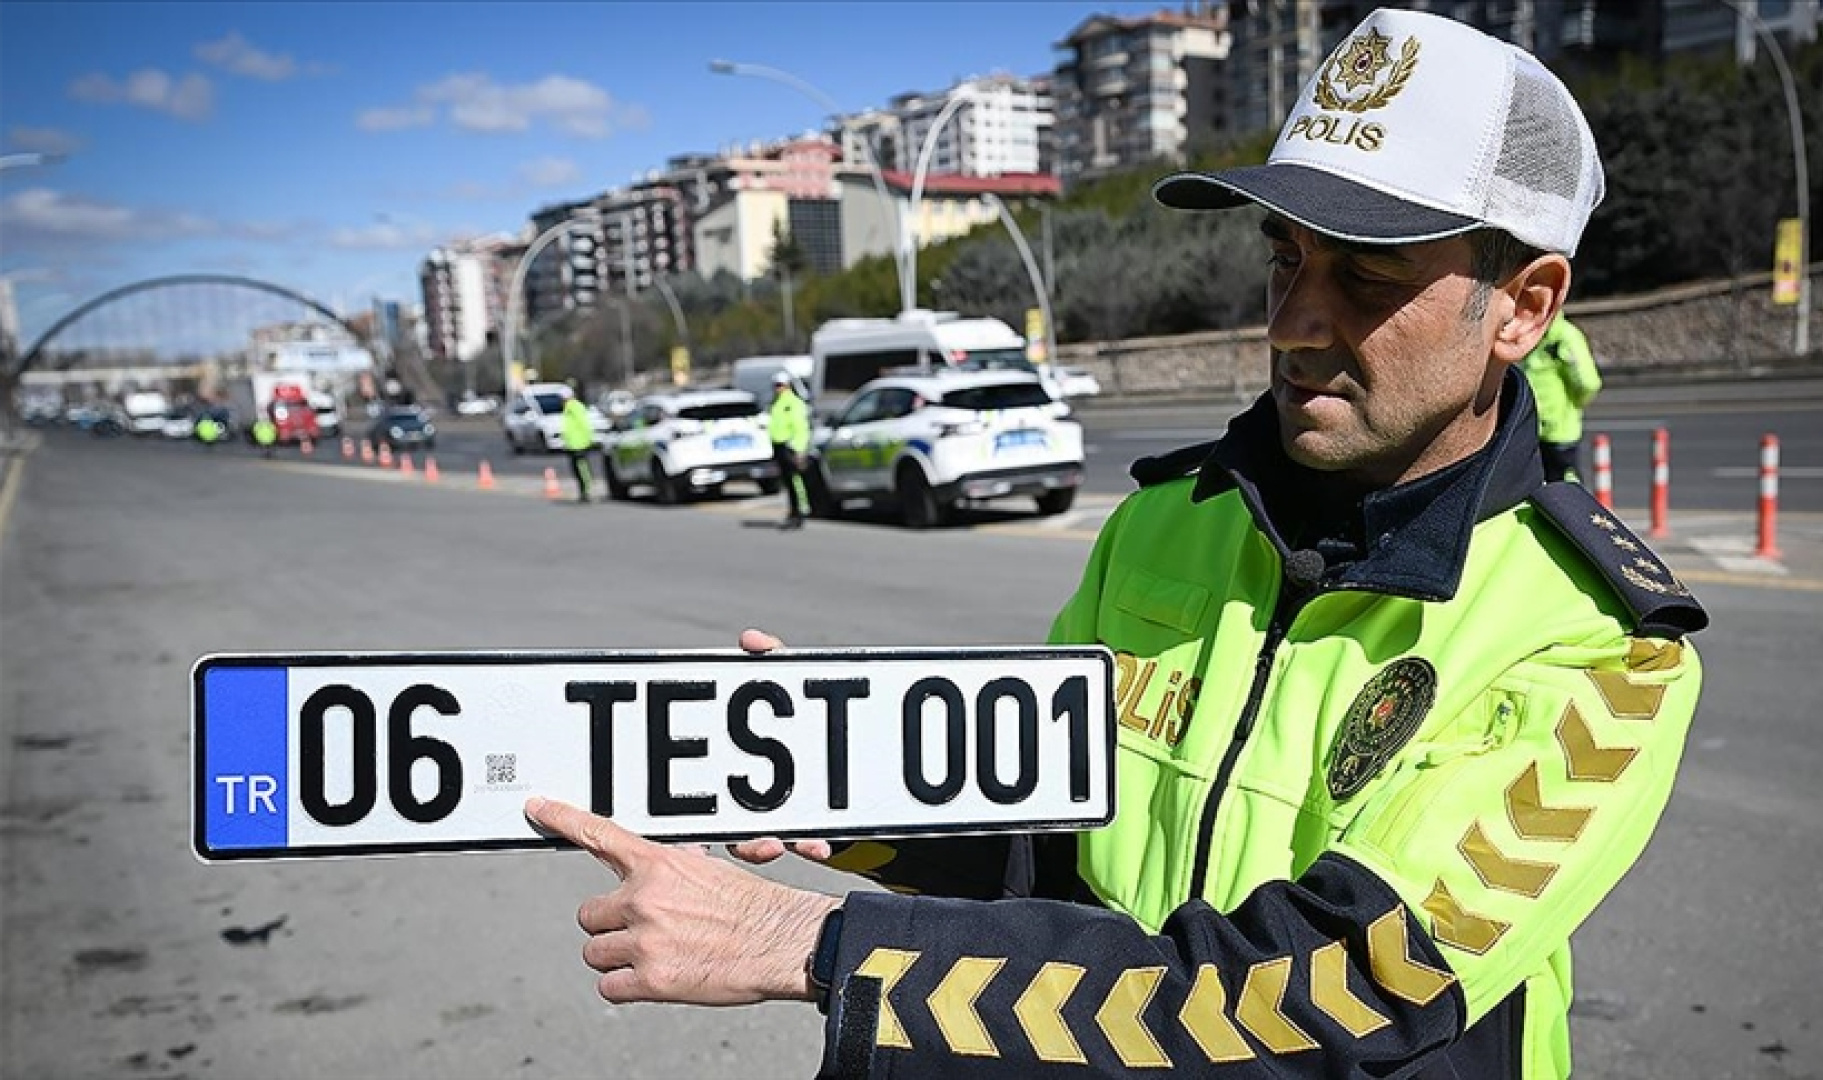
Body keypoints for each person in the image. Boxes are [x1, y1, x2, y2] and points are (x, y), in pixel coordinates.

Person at [525, 10, 1708, 1078]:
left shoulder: (1602, 653)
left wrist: (815, 943)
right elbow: (1058, 848)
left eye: (1365, 275)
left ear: (1524, 306)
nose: (1296, 322)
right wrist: (852, 790)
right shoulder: (1163, 523)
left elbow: (1334, 990)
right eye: (1284, 257)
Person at [1521, 312, 1602, 483]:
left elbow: (1588, 383)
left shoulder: (1564, 336)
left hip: (1559, 432)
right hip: (1534, 433)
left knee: (1566, 494)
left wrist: (1571, 408)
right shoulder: (1531, 335)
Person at [766, 370, 812, 530]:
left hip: (790, 446)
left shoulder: (794, 403)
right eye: (776, 386)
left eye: (780, 385)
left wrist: (799, 449)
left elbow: (801, 428)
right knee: (787, 481)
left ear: (787, 385)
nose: (777, 389)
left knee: (795, 480)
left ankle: (801, 510)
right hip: (778, 445)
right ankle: (793, 510)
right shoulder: (776, 403)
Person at [559, 385, 595, 504]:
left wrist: (589, 438)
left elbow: (584, 423)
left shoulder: (575, 407)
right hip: (572, 443)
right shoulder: (568, 408)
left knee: (581, 467)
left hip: (579, 442)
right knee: (576, 468)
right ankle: (583, 491)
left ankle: (587, 490)